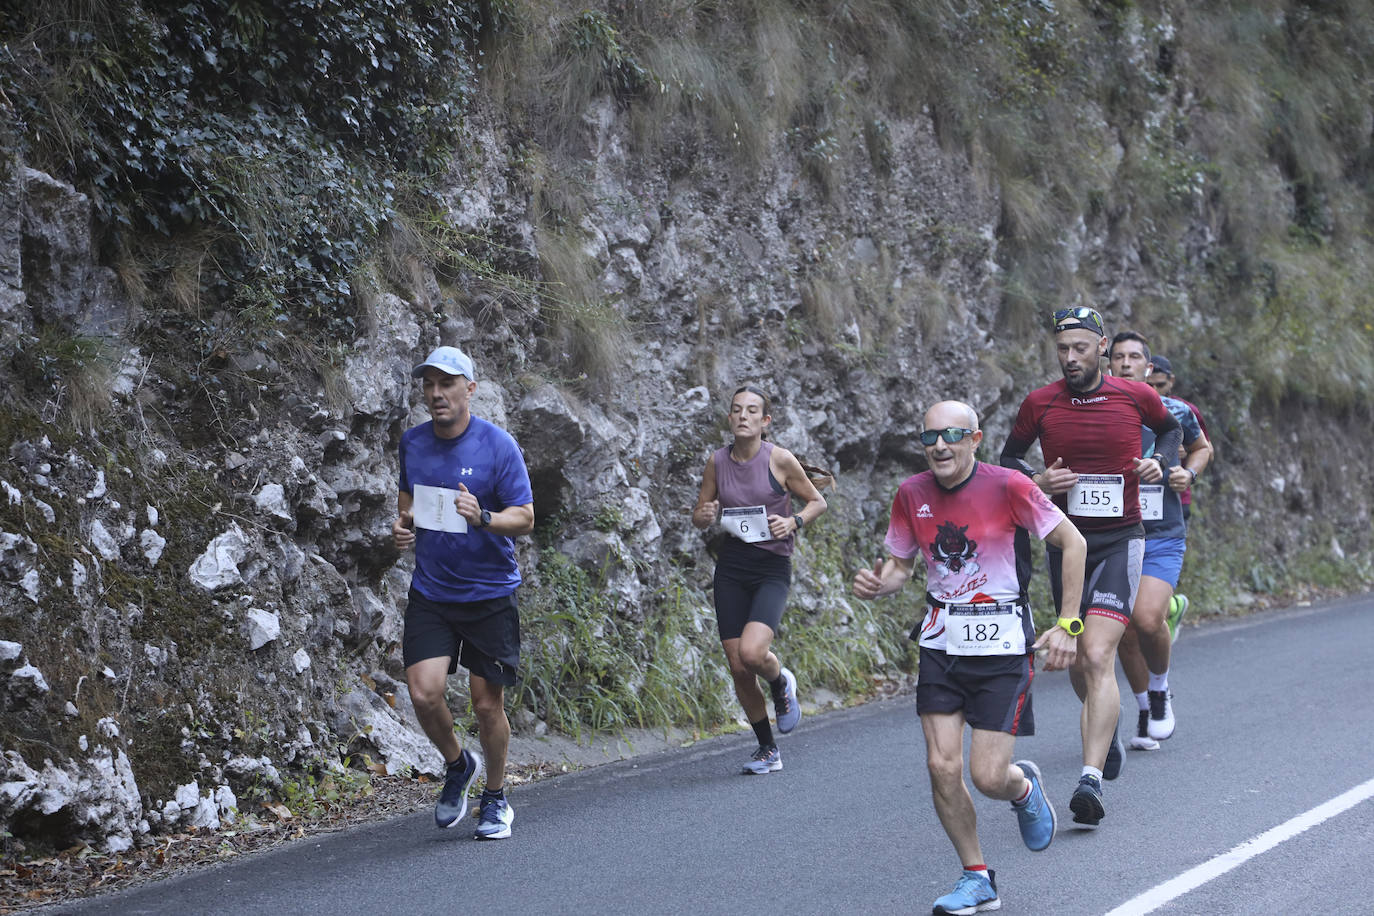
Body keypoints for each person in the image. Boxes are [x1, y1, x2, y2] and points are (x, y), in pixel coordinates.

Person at [853, 400, 1085, 915]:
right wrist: (878, 584)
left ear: (974, 439)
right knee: (940, 765)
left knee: (987, 776)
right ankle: (977, 877)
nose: (938, 445)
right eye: (929, 436)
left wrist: (1069, 623)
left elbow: (1074, 543)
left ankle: (1021, 789)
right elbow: (899, 566)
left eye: (951, 435)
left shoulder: (1010, 486)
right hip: (941, 641)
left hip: (1003, 646)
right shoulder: (912, 493)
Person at [1000, 307, 1182, 829]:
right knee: (1080, 662)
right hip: (1066, 545)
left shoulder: (1135, 395)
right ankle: (1106, 733)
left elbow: (1169, 433)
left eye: (1081, 347)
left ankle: (1090, 780)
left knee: (1098, 652)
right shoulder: (1040, 403)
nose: (1071, 357)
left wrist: (1158, 464)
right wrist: (1038, 477)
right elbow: (1008, 460)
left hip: (1122, 540)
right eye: (1063, 349)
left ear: (1101, 347)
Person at [392, 346, 535, 840]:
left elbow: (526, 516)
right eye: (429, 385)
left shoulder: (498, 446)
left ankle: (495, 799)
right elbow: (408, 496)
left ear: (469, 389)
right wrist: (403, 523)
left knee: (485, 704)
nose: (436, 394)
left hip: (490, 592)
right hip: (433, 590)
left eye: (446, 384)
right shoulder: (412, 443)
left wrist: (485, 517)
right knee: (423, 692)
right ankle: (458, 766)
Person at [691, 385, 828, 774]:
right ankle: (768, 749)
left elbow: (818, 501)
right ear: (730, 418)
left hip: (771, 568)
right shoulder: (717, 462)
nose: (743, 416)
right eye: (737, 410)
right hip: (732, 568)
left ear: (765, 421)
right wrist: (705, 514)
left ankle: (780, 680)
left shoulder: (780, 460)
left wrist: (793, 521)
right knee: (737, 667)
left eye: (752, 411)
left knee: (753, 654)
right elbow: (699, 515)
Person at [1107, 333, 1212, 751]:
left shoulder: (1176, 411)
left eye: (1135, 358)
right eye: (1119, 357)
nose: (1127, 363)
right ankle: (1143, 706)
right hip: (1112, 534)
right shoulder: (1093, 412)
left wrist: (1190, 473)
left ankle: (1161, 689)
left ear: (1148, 368)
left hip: (1162, 532)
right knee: (1125, 631)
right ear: (1107, 363)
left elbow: (1202, 448)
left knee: (1147, 619)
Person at [1147, 355, 1212, 642]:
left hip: (1174, 497)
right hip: (1132, 501)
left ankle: (1168, 606)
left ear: (1170, 382)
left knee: (1162, 561)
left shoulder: (1183, 411)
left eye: (1160, 385)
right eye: (1150, 384)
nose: (1155, 390)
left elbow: (1204, 449)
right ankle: (1162, 609)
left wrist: (1185, 467)